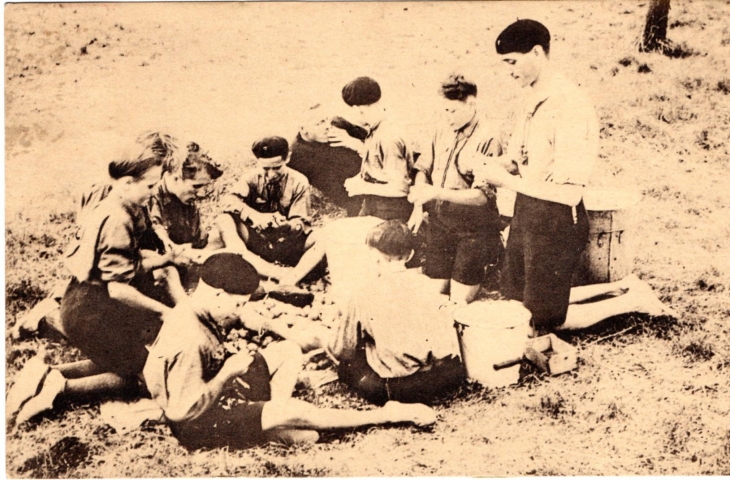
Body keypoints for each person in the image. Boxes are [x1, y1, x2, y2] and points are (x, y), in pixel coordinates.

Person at [475, 19, 674, 336]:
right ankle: (622, 286)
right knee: (514, 299)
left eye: (512, 62)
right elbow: (519, 158)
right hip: (529, 209)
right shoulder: (533, 96)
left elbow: (568, 194)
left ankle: (631, 300)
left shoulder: (570, 105)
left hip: (557, 219)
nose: (508, 72)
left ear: (537, 52)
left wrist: (506, 182)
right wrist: (491, 165)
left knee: (541, 323)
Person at [143, 253, 437, 450]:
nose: (239, 311)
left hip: (217, 391)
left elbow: (153, 369)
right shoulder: (190, 338)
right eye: (238, 304)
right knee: (300, 415)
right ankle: (389, 415)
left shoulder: (194, 308)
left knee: (287, 351)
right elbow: (182, 411)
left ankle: (271, 422)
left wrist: (285, 331)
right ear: (218, 294)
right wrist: (227, 372)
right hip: (200, 424)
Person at [6, 142, 179, 429]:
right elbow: (119, 289)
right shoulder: (117, 219)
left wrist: (164, 258)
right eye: (149, 186)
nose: (153, 193)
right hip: (92, 311)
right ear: (126, 182)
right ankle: (58, 392)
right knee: (140, 377)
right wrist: (165, 312)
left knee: (122, 360)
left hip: (89, 300)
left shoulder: (123, 203)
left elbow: (123, 264)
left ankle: (46, 374)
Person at [327, 221, 465, 405]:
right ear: (410, 255)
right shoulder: (427, 285)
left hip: (397, 388)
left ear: (373, 256)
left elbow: (343, 350)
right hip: (438, 379)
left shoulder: (363, 293)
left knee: (349, 366)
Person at [407, 74, 503, 305]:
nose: (446, 117)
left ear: (471, 104)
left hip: (473, 231)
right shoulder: (441, 129)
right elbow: (423, 170)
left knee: (457, 303)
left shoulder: (489, 137)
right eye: (443, 111)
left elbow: (482, 196)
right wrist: (420, 200)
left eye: (451, 111)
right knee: (433, 297)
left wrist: (436, 193)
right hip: (440, 226)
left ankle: (488, 264)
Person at [210, 136, 318, 281]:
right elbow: (228, 200)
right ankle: (267, 269)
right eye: (265, 168)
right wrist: (254, 215)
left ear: (288, 158)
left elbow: (301, 222)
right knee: (224, 220)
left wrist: (286, 226)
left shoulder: (299, 181)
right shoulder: (251, 178)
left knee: (322, 237)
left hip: (286, 243)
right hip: (256, 241)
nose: (271, 174)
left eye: (277, 167)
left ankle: (295, 275)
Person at [328, 76, 415, 223]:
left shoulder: (388, 136)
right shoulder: (376, 128)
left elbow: (401, 188)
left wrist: (362, 187)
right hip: (375, 203)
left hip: (391, 210)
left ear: (357, 109)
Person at [147, 141, 223, 290]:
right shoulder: (150, 196)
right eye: (196, 186)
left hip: (182, 261)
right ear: (176, 178)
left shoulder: (188, 203)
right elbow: (158, 239)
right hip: (157, 266)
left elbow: (198, 242)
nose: (201, 193)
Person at [289, 104, 368, 216]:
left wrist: (355, 141)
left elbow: (373, 140)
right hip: (356, 195)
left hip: (374, 173)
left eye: (327, 120)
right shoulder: (298, 156)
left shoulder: (336, 124)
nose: (327, 126)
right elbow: (338, 193)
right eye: (319, 123)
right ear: (303, 129)